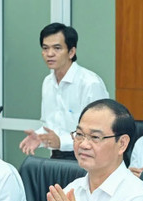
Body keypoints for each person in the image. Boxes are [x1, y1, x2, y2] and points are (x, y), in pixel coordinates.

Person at [19, 23, 109, 160]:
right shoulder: (48, 82)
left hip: (88, 157)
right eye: (45, 48)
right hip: (57, 156)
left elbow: (100, 130)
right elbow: (49, 124)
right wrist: (40, 137)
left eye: (57, 48)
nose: (50, 54)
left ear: (71, 52)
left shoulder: (90, 83)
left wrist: (61, 142)